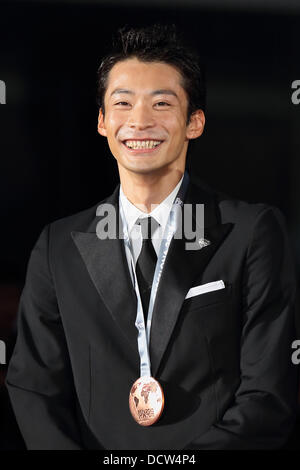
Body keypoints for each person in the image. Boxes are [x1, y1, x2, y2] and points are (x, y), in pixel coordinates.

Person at [6, 23, 299, 450]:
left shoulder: (252, 233)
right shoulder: (58, 246)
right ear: (103, 122)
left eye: (161, 103)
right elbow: (34, 389)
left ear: (194, 122)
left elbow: (268, 394)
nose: (139, 121)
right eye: (122, 103)